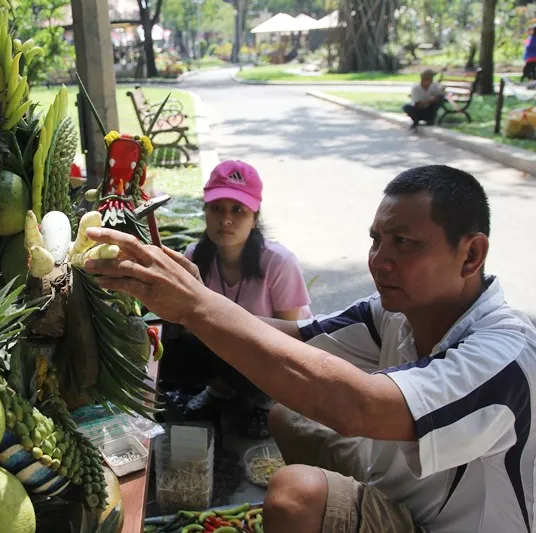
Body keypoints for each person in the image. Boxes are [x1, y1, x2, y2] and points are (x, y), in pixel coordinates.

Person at [83, 165, 536, 533]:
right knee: (287, 416)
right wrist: (194, 302)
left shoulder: (504, 356)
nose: (379, 260)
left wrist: (200, 307)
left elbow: (359, 407)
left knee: (294, 493)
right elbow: (294, 336)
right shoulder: (393, 313)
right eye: (376, 240)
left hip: (433, 523)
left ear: (471, 255)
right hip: (397, 488)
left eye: (403, 243)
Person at [162, 160, 312, 437]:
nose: (226, 219)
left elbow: (290, 341)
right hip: (226, 354)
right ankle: (220, 391)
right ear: (205, 212)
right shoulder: (195, 257)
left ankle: (266, 404)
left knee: (231, 345)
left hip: (274, 359)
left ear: (255, 218)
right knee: (167, 345)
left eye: (238, 210)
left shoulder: (279, 263)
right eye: (217, 208)